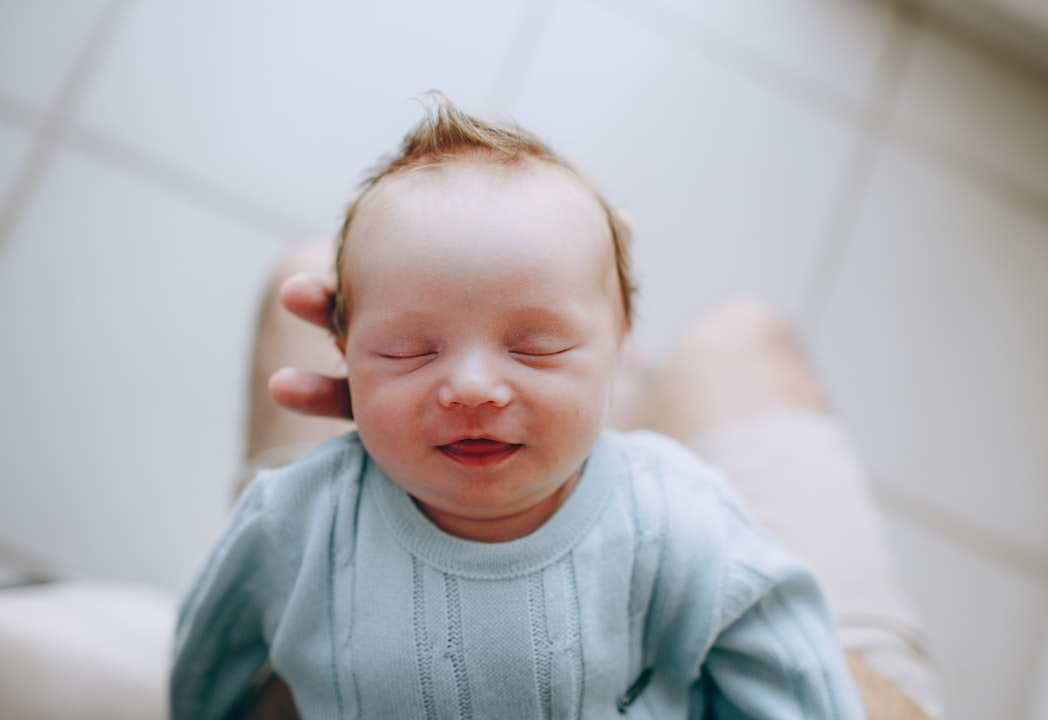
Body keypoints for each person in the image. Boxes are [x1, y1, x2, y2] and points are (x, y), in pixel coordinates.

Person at [172, 95, 932, 719]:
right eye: (408, 348)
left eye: (534, 344)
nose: (472, 388)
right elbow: (214, 655)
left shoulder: (684, 521)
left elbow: (796, 677)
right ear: (341, 349)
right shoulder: (296, 522)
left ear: (623, 335)